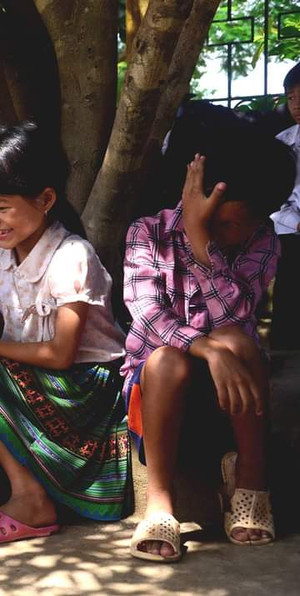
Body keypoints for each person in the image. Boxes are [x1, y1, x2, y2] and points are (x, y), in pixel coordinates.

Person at [0, 123, 130, 546]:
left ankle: (30, 498)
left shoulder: (72, 256)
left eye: (2, 206)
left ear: (45, 200)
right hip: (44, 382)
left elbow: (61, 355)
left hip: (84, 391)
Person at [124, 131, 295, 562]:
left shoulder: (263, 242)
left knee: (236, 339)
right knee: (167, 360)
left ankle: (252, 482)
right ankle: (160, 502)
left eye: (228, 226)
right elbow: (148, 318)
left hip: (235, 392)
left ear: (261, 220)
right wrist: (207, 349)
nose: (220, 232)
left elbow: (236, 317)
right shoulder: (148, 232)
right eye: (209, 220)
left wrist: (202, 244)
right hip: (158, 391)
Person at [269, 62, 300, 350]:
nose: (297, 104)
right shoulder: (282, 144)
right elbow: (273, 197)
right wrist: (295, 222)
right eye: (291, 97)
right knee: (289, 280)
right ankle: (284, 346)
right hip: (292, 232)